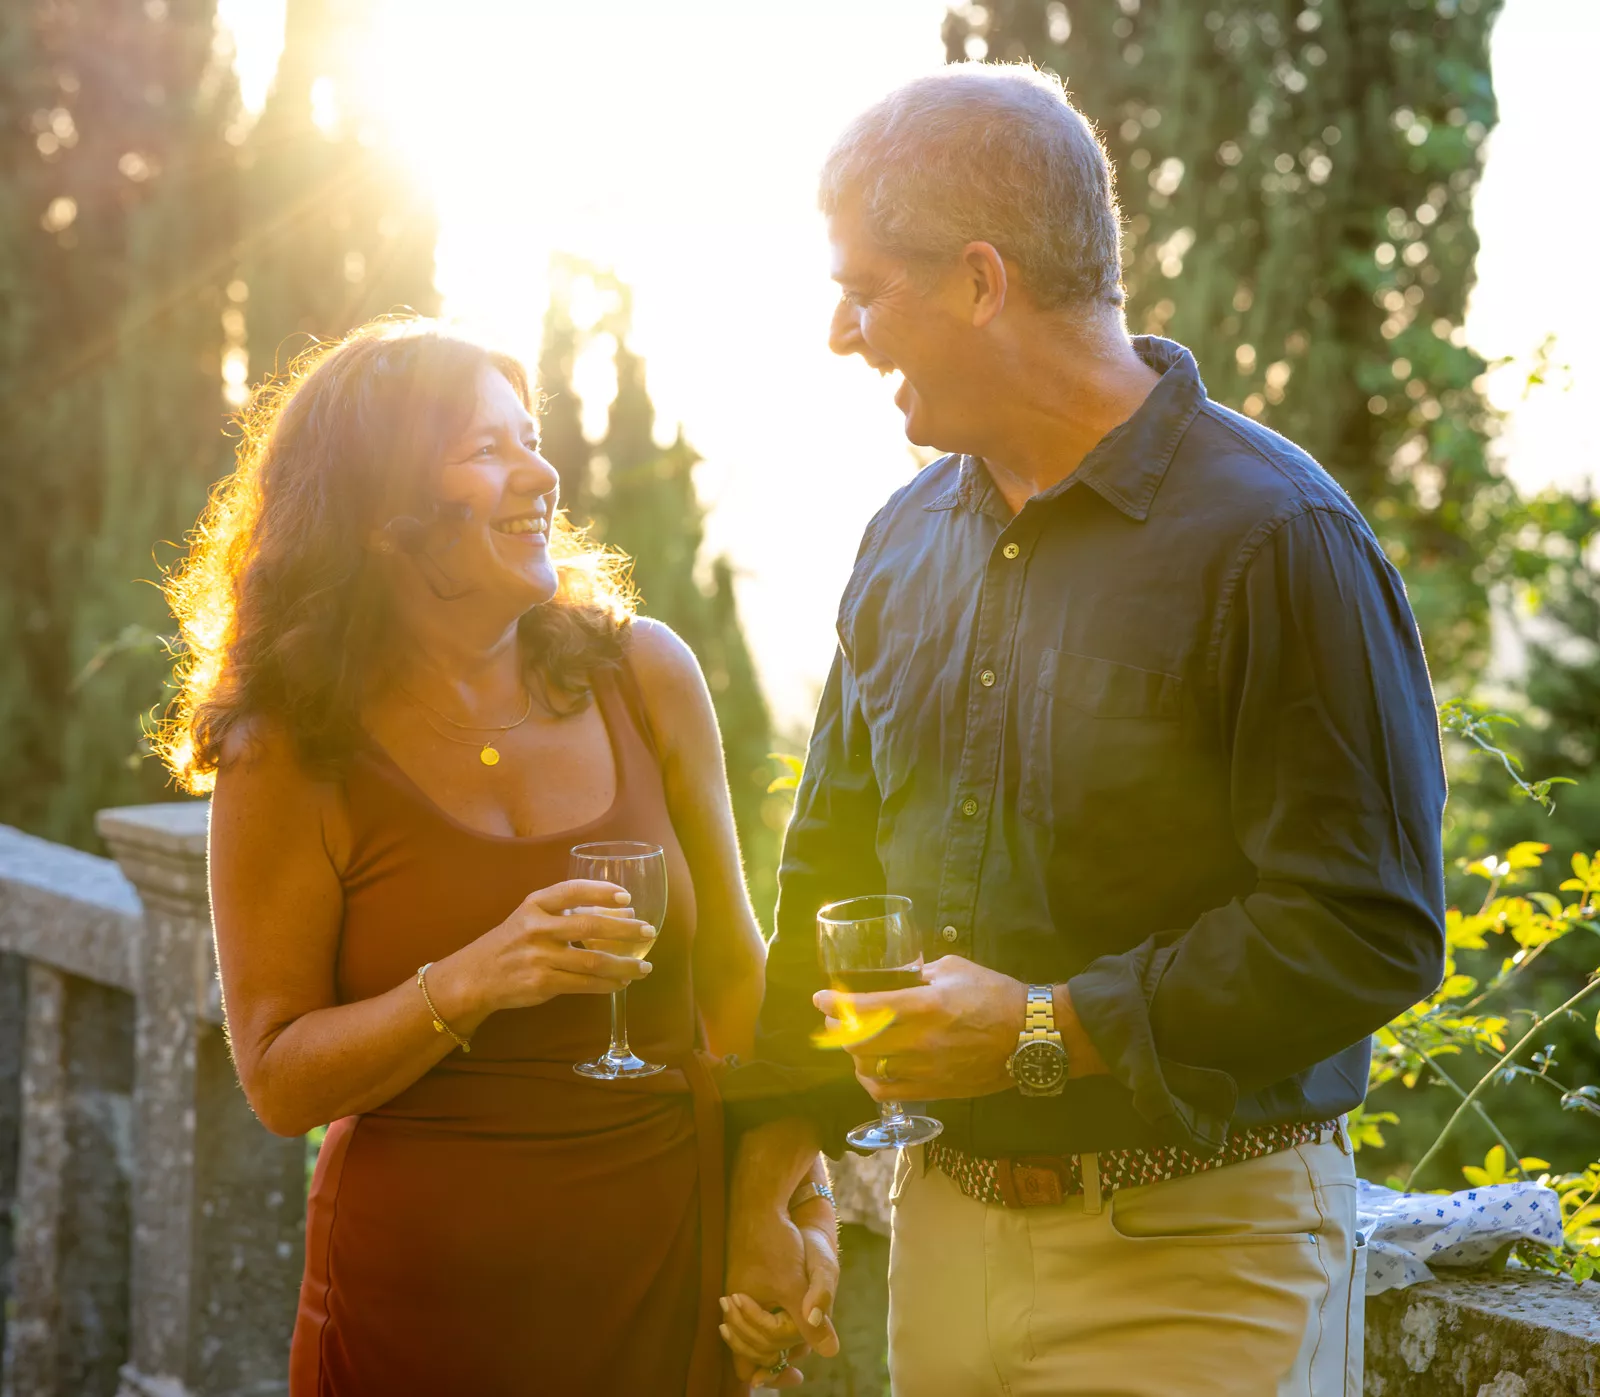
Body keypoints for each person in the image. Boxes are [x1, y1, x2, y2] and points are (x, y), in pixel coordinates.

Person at [719, 64, 1447, 1395]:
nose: (842, 331)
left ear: (981, 281)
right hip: (942, 1241)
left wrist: (1051, 1025)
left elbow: (1369, 926)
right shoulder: (897, 545)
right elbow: (827, 873)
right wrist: (775, 1166)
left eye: (866, 288)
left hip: (1204, 1259)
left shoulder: (1281, 537)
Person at [157, 319, 772, 1395]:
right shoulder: (291, 745)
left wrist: (787, 1203)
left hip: (664, 1269)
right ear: (382, 512)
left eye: (530, 439)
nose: (541, 473)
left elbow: (734, 971)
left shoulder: (645, 674)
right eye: (489, 449)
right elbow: (278, 1076)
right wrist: (480, 975)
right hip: (417, 1312)